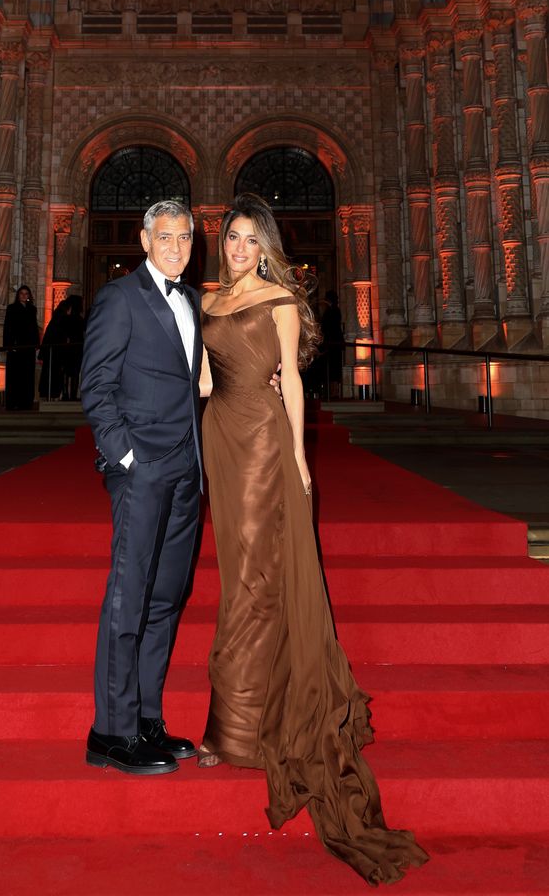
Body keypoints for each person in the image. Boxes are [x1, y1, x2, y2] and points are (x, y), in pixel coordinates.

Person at [196, 193, 428, 886]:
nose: (238, 248)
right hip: (221, 436)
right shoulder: (209, 299)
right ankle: (234, 723)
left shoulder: (279, 300)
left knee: (256, 577)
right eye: (231, 238)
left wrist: (297, 456)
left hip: (265, 440)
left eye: (249, 239)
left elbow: (291, 381)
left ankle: (237, 731)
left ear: (265, 244)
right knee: (236, 568)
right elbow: (204, 378)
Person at [80, 200, 202, 776]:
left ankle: (147, 718)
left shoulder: (193, 300)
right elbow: (96, 386)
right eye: (165, 237)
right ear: (145, 240)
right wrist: (127, 456)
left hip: (187, 470)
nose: (176, 247)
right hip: (141, 470)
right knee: (129, 597)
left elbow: (191, 380)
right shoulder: (120, 298)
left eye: (184, 237)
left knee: (165, 598)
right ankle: (111, 731)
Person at [2, 285, 40, 411]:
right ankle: (13, 402)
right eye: (21, 293)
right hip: (16, 347)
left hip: (28, 347)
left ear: (29, 296)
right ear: (18, 295)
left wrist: (36, 343)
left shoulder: (32, 309)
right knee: (15, 375)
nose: (24, 295)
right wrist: (8, 345)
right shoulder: (12, 308)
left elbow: (34, 327)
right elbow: (8, 327)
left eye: (26, 293)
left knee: (27, 375)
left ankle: (26, 402)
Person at [320, 288, 344, 398]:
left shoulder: (332, 311)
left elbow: (327, 327)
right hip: (333, 343)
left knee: (333, 368)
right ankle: (332, 391)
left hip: (332, 343)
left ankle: (333, 391)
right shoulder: (334, 310)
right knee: (332, 368)